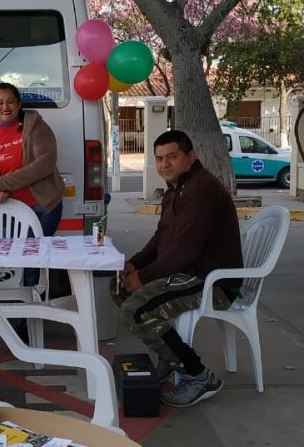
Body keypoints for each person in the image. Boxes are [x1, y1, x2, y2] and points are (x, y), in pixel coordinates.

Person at [111, 129, 244, 408]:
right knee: (119, 286)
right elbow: (161, 238)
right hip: (188, 273)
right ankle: (171, 357)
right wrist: (134, 264)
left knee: (136, 309)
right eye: (159, 159)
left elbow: (185, 251)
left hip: (212, 281)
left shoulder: (201, 189)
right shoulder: (175, 190)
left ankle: (199, 376)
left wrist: (144, 277)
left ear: (190, 157)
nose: (164, 165)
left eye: (172, 157)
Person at [0, 82, 65, 287]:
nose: (5, 107)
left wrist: (2, 183)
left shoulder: (35, 126)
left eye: (10, 102)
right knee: (15, 257)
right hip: (11, 211)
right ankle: (21, 304)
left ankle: (31, 306)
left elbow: (45, 163)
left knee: (31, 259)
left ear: (19, 104)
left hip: (42, 206)